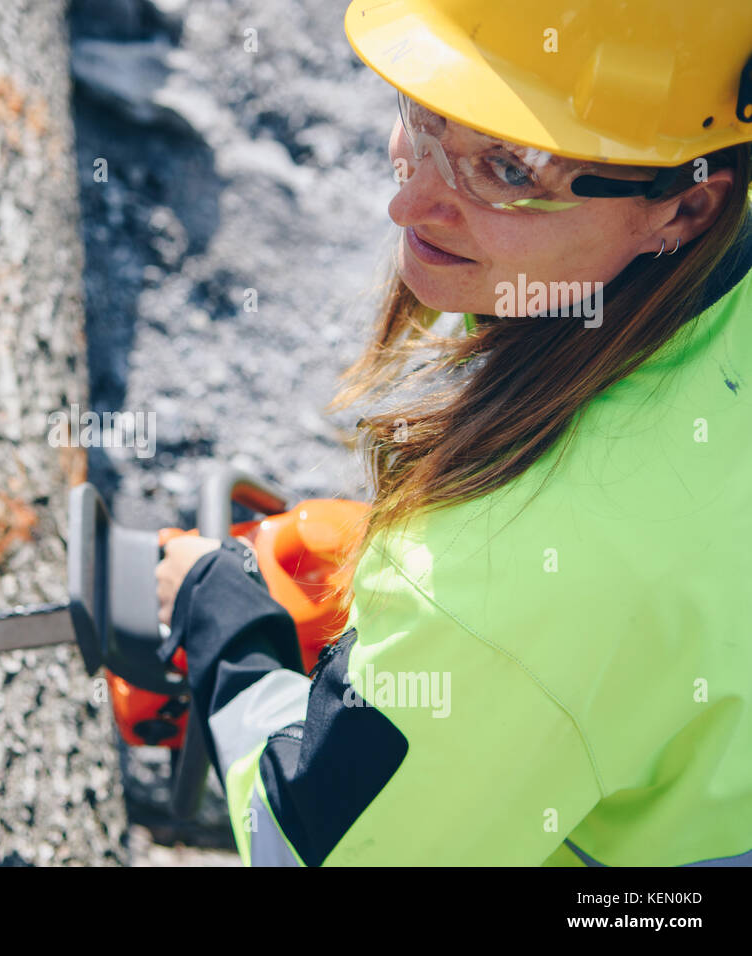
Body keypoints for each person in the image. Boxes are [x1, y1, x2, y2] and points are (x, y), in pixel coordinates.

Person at [155, 0, 752, 866]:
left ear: (686, 210)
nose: (411, 199)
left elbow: (314, 854)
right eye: (424, 117)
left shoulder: (501, 589)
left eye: (511, 166)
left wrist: (231, 643)